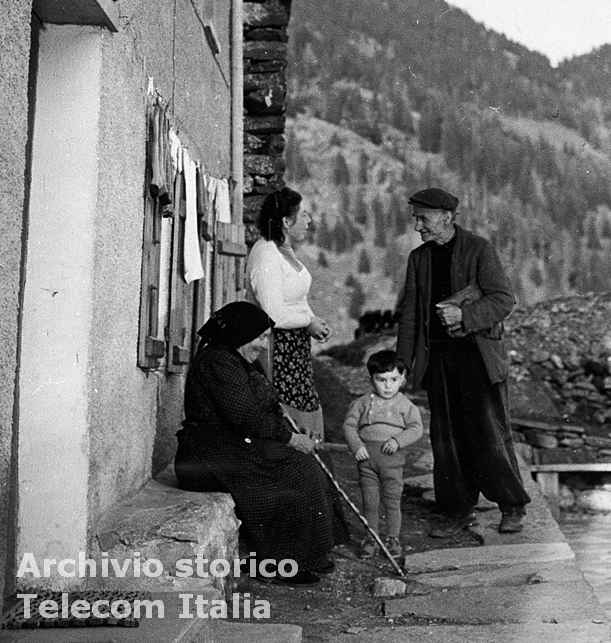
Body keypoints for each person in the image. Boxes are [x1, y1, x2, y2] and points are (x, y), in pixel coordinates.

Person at [174, 301, 349, 583]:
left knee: (313, 459)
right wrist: (289, 438)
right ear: (241, 334)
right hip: (204, 456)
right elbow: (245, 417)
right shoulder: (218, 361)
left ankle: (310, 553)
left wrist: (291, 433)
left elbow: (262, 409)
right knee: (296, 465)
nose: (264, 345)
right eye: (260, 337)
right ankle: (281, 564)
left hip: (229, 445)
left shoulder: (238, 358)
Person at [396, 187, 531, 537]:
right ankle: (457, 512)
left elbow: (503, 299)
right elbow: (410, 313)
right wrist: (402, 361)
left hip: (477, 357)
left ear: (446, 217)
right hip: (439, 359)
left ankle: (512, 505)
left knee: (489, 432)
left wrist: (465, 315)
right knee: (446, 440)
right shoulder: (419, 259)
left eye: (423, 219)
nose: (418, 227)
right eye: (416, 219)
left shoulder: (479, 249)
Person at [246, 187, 330, 440]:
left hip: (295, 350)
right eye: (303, 215)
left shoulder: (283, 250)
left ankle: (310, 469)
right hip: (277, 350)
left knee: (306, 407)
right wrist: (309, 322)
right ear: (285, 221)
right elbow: (274, 314)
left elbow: (297, 297)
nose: (309, 220)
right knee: (289, 412)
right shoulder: (266, 256)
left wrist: (314, 321)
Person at [342, 349, 424, 557]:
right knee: (370, 501)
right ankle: (371, 539)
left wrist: (398, 441)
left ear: (403, 379)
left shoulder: (406, 406)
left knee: (392, 500)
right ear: (371, 379)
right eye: (381, 380)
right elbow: (350, 426)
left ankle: (392, 539)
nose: (388, 386)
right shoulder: (361, 403)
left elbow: (416, 428)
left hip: (392, 462)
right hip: (367, 460)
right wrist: (357, 446)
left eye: (393, 379)